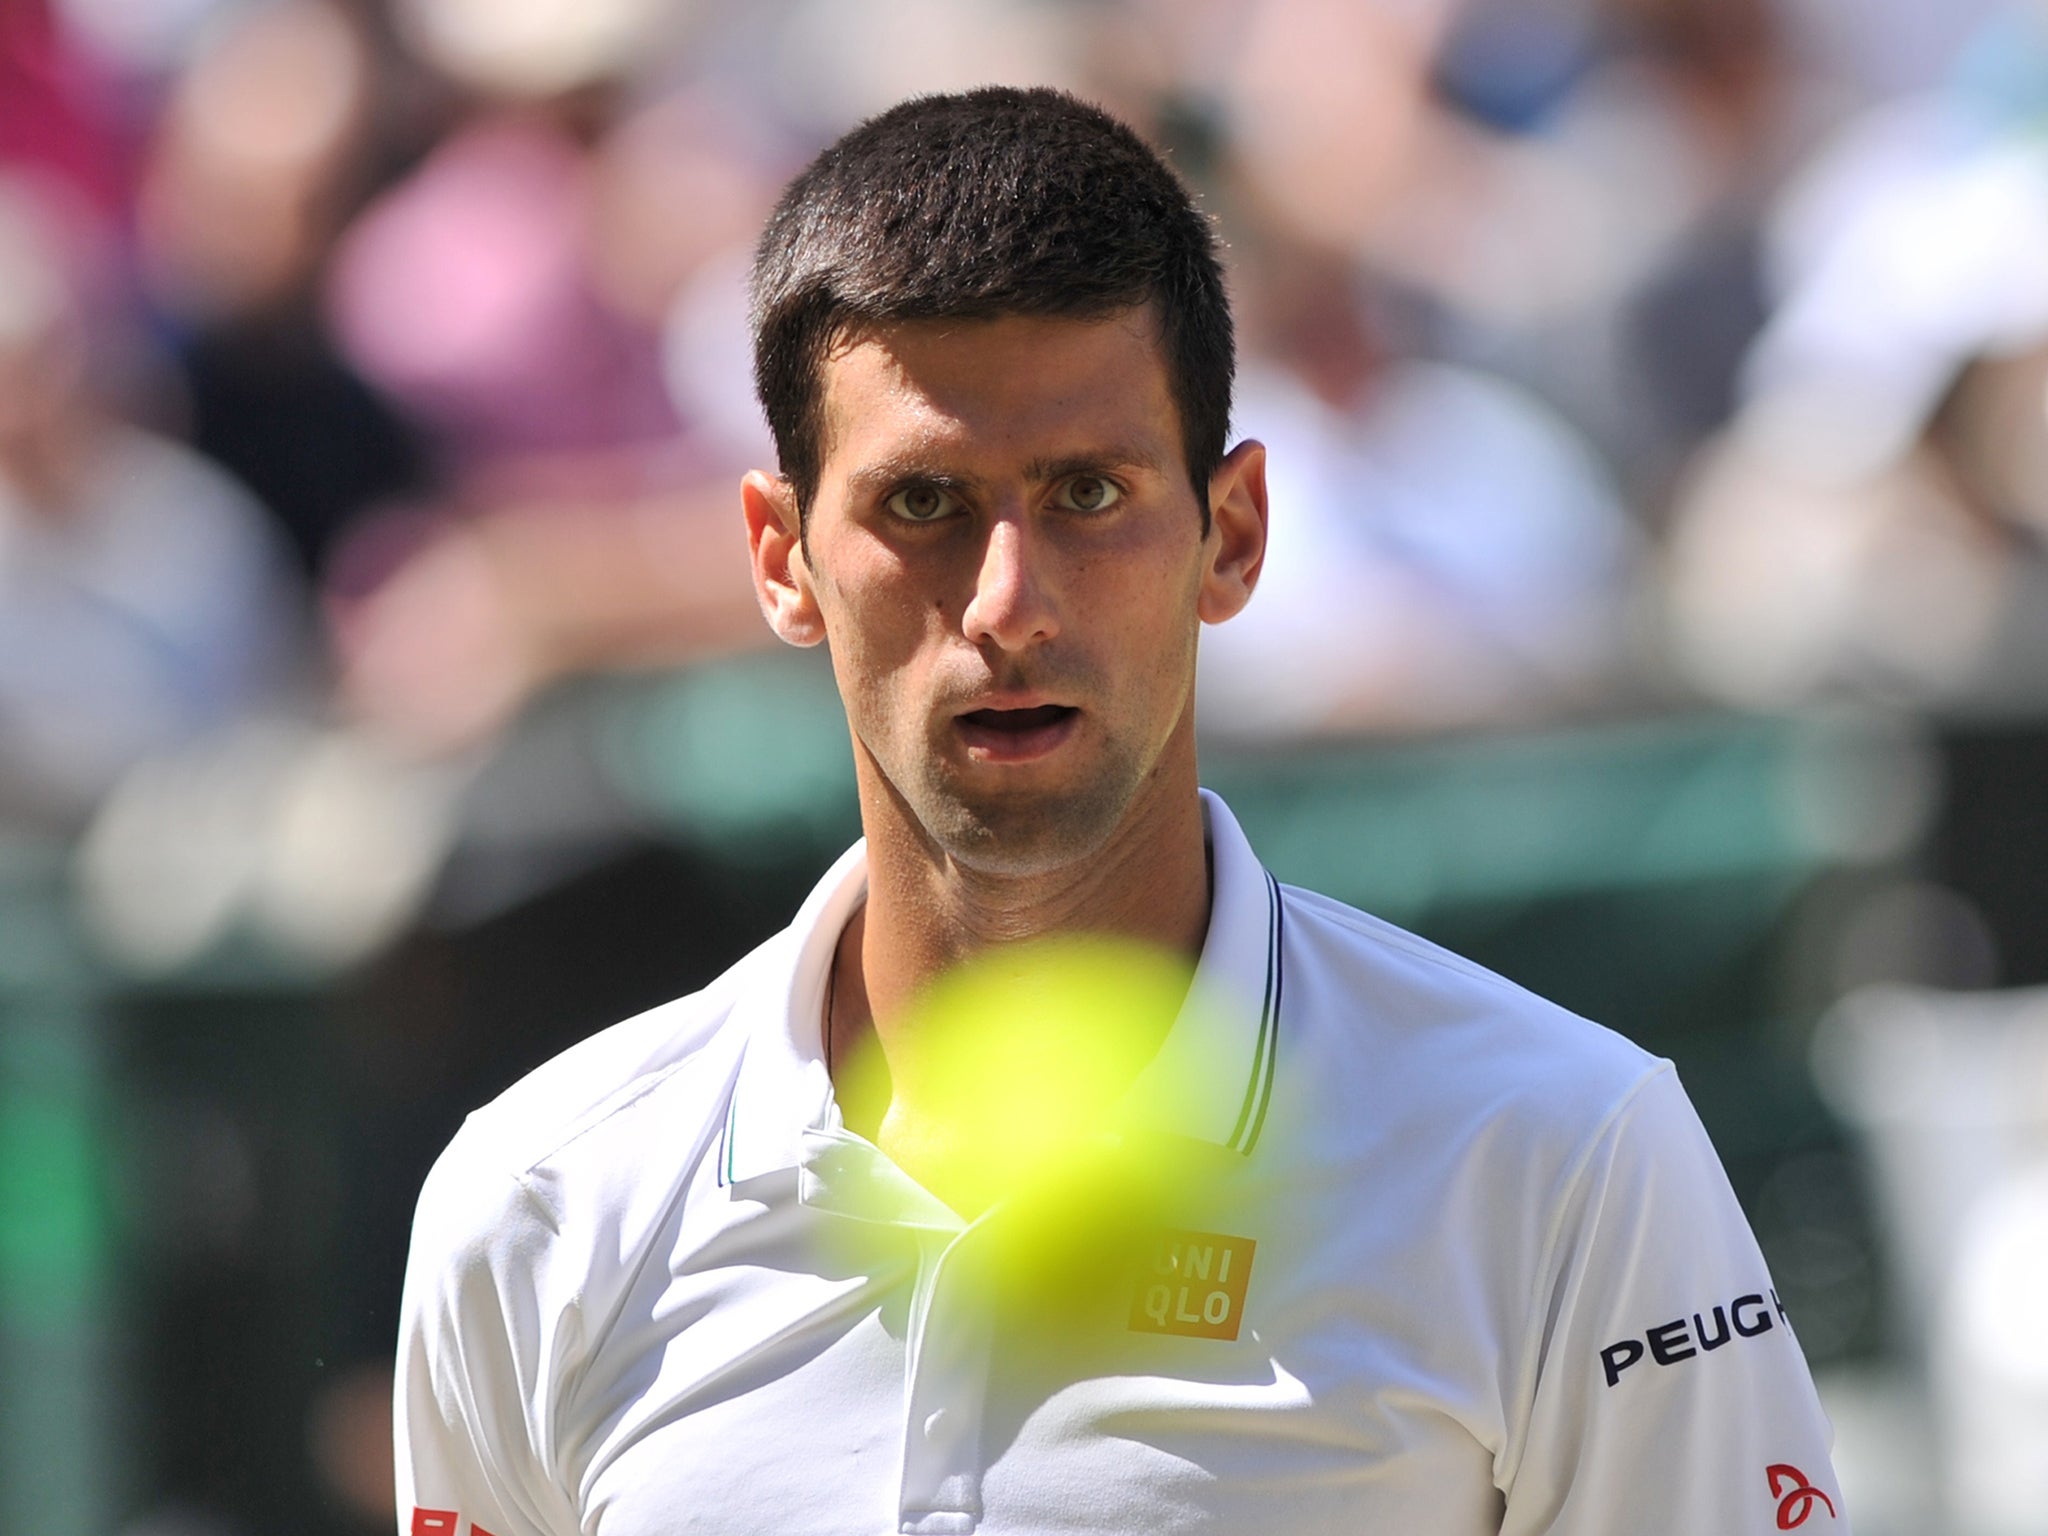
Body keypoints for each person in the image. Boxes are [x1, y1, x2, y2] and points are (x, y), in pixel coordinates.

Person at [395, 87, 1849, 1534]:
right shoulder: (534, 1208)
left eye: (1087, 493)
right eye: (922, 506)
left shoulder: (1563, 1159)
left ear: (1236, 535)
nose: (1007, 605)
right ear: (780, 557)